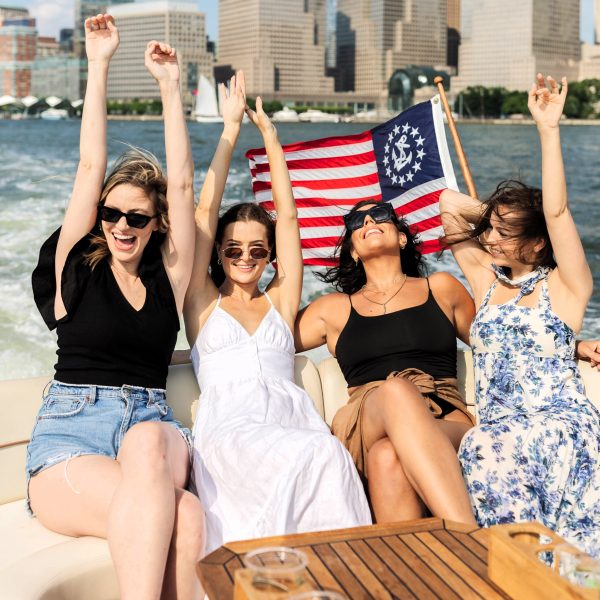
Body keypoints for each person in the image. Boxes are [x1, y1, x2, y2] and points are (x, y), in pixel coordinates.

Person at [29, 15, 204, 599]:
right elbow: (87, 168)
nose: (121, 226)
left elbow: (181, 186)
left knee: (152, 443)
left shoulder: (167, 278)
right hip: (71, 439)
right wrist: (99, 62)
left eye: (137, 217)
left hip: (151, 427)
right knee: (186, 517)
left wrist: (170, 86)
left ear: (155, 227)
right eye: (111, 214)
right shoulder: (75, 266)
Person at [183, 73, 371, 554]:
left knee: (326, 450)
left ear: (270, 257)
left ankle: (338, 571)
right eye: (232, 249)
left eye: (256, 250)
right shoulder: (202, 302)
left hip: (292, 419)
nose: (244, 258)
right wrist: (229, 131)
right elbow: (203, 213)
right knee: (314, 451)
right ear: (218, 254)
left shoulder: (279, 302)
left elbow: (288, 219)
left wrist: (269, 136)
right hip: (231, 428)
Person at [439, 74, 600, 556]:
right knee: (484, 445)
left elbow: (557, 213)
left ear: (537, 242)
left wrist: (548, 130)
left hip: (559, 428)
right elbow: (448, 206)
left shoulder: (567, 287)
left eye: (506, 233)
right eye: (489, 229)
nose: (489, 238)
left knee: (487, 447)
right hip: (500, 429)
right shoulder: (489, 282)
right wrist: (498, 215)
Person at [294, 200, 478, 525]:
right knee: (397, 391)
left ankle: (409, 569)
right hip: (368, 414)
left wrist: (573, 346)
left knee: (386, 457)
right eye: (356, 221)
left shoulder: (442, 288)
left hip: (445, 415)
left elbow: (496, 338)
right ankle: (469, 537)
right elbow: (264, 337)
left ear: (402, 238)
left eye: (380, 215)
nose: (368, 222)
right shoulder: (332, 309)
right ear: (352, 250)